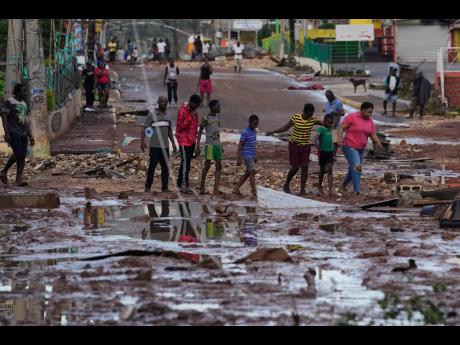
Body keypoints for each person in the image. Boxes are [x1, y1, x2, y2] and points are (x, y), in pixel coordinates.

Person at [266, 103, 321, 195]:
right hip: (294, 145)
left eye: (311, 115)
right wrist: (273, 131)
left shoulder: (313, 119)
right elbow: (286, 127)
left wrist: (331, 125)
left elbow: (324, 123)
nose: (309, 117)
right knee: (295, 167)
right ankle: (287, 184)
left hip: (306, 146)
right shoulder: (295, 117)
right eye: (308, 115)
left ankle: (302, 189)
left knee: (305, 167)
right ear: (304, 111)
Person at [337, 102, 382, 195]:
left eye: (371, 112)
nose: (369, 114)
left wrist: (378, 142)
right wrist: (340, 138)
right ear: (362, 110)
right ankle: (357, 191)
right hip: (349, 146)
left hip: (361, 149)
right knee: (357, 167)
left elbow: (372, 134)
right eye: (367, 112)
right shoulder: (352, 117)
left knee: (352, 169)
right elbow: (342, 128)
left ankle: (343, 186)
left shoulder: (370, 121)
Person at [0, 84, 35, 187]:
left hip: (23, 133)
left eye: (25, 91)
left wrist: (30, 135)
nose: (25, 93)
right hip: (13, 132)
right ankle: (3, 171)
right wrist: (7, 133)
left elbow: (25, 122)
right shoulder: (10, 102)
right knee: (18, 154)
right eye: (23, 91)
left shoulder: (24, 104)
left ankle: (18, 180)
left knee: (22, 156)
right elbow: (4, 116)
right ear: (17, 92)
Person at [141, 96, 177, 193]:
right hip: (154, 146)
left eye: (165, 102)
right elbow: (144, 128)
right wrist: (142, 141)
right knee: (152, 167)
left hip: (165, 147)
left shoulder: (168, 116)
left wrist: (173, 143)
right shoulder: (152, 115)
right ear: (158, 102)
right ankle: (148, 187)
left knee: (165, 168)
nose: (163, 103)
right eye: (161, 102)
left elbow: (169, 130)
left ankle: (164, 188)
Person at [196, 100, 223, 195]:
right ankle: (202, 186)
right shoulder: (206, 118)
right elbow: (199, 132)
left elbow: (217, 132)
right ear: (213, 107)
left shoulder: (218, 117)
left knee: (219, 166)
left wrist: (221, 145)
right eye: (218, 106)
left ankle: (216, 188)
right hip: (210, 145)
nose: (220, 108)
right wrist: (198, 145)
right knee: (207, 165)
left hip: (217, 145)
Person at [175, 94, 202, 193]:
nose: (197, 107)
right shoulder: (183, 111)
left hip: (191, 141)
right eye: (197, 105)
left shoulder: (195, 112)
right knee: (185, 163)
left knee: (187, 163)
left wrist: (196, 143)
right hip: (183, 141)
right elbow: (180, 127)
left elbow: (195, 128)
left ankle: (180, 183)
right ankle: (183, 185)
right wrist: (189, 118)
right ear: (192, 103)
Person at [233, 114, 259, 199]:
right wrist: (239, 158)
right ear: (250, 123)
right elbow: (240, 145)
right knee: (252, 172)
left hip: (251, 155)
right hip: (246, 155)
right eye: (254, 124)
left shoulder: (254, 131)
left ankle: (236, 187)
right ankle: (254, 191)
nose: (255, 126)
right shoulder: (245, 132)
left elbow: (253, 145)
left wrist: (255, 156)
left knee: (248, 173)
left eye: (256, 124)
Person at [316, 114, 334, 197]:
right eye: (328, 123)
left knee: (330, 169)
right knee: (322, 169)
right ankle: (320, 186)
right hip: (322, 152)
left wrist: (335, 153)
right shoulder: (320, 129)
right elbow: (316, 137)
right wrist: (315, 142)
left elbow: (336, 142)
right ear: (324, 122)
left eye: (331, 123)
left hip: (330, 152)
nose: (330, 125)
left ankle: (330, 190)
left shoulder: (333, 130)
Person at [324, 90, 345, 158]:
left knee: (334, 141)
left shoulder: (338, 103)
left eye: (329, 96)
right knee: (327, 140)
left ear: (332, 95)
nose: (328, 98)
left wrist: (336, 113)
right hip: (327, 124)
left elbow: (342, 113)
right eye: (327, 97)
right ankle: (328, 154)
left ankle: (334, 155)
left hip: (335, 124)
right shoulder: (327, 103)